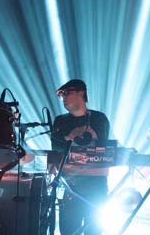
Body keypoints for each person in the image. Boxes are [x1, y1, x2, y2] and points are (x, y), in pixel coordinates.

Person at [50, 79, 112, 235]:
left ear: (81, 93)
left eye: (67, 92)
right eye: (61, 95)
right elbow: (55, 148)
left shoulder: (99, 118)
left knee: (95, 230)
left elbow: (103, 147)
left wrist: (88, 134)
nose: (64, 97)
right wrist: (70, 136)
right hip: (70, 185)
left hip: (96, 187)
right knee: (69, 230)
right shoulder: (60, 121)